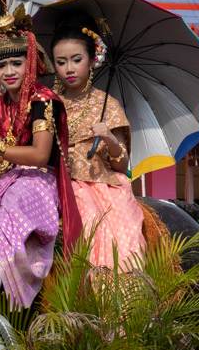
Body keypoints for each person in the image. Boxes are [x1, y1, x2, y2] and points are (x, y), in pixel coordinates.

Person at [0, 0, 82, 308]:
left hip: (40, 183)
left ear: (30, 62)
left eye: (16, 63)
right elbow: (1, 160)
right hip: (9, 180)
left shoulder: (42, 100)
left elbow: (41, 155)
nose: (10, 71)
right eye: (2, 65)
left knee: (12, 201)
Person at [49, 17, 146, 270]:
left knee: (101, 224)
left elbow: (122, 163)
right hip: (54, 180)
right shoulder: (46, 103)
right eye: (61, 62)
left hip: (101, 185)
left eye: (76, 60)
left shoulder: (108, 104)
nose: (69, 68)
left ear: (92, 61)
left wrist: (110, 138)